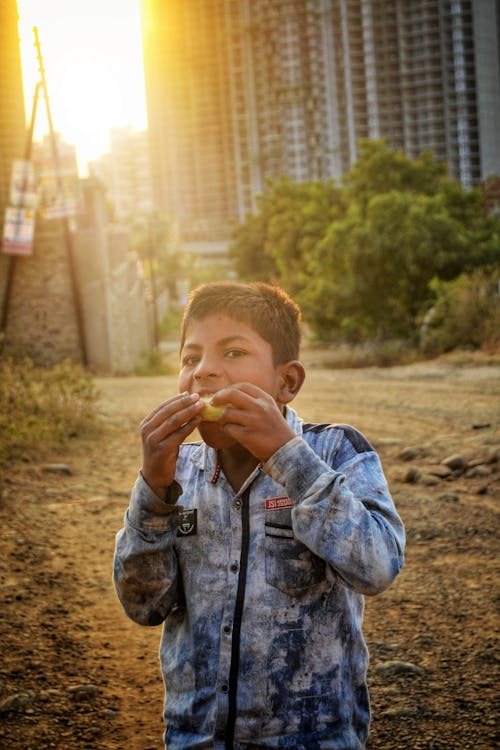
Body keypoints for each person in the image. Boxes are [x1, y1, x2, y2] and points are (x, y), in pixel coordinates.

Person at [113, 281, 405, 750]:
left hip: (315, 739)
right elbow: (143, 606)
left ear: (286, 382)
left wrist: (289, 457)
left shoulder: (335, 452)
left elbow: (378, 566)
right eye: (190, 359)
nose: (204, 371)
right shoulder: (175, 474)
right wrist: (152, 491)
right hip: (196, 739)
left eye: (233, 352)